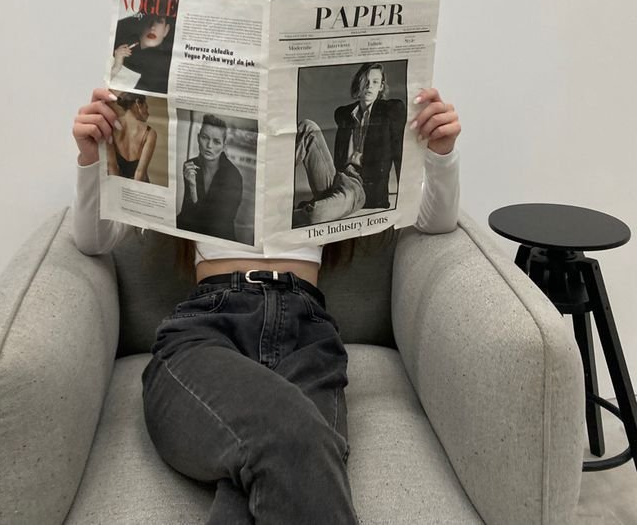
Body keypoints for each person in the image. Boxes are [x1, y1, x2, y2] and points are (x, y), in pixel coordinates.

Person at [72, 85, 461, 525]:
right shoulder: (195, 169)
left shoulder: (308, 149)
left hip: (306, 333)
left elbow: (437, 222)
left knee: (279, 465)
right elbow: (93, 241)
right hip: (208, 327)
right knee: (296, 437)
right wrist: (91, 160)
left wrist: (441, 154)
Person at [293, 62, 406, 226]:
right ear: (358, 83)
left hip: (358, 188)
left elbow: (399, 151)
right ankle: (276, 179)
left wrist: (407, 193)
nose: (369, 86)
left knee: (314, 215)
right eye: (365, 81)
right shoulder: (345, 114)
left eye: (375, 82)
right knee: (308, 126)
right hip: (334, 178)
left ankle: (290, 217)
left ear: (381, 87)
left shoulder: (388, 112)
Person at [176, 114, 244, 242]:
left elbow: (215, 225)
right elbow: (186, 213)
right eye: (205, 138)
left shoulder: (233, 177)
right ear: (198, 138)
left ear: (224, 145)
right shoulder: (190, 166)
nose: (209, 146)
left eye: (216, 141)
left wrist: (193, 188)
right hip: (191, 235)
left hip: (219, 240)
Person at [111, 12, 174, 94]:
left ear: (166, 30)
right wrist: (116, 67)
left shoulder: (164, 67)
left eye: (159, 21)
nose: (153, 27)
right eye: (149, 19)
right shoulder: (119, 46)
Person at [105, 93, 157, 183]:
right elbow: (140, 173)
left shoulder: (111, 125)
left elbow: (112, 167)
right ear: (138, 104)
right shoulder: (150, 133)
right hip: (140, 187)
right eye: (146, 107)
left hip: (116, 184)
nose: (148, 114)